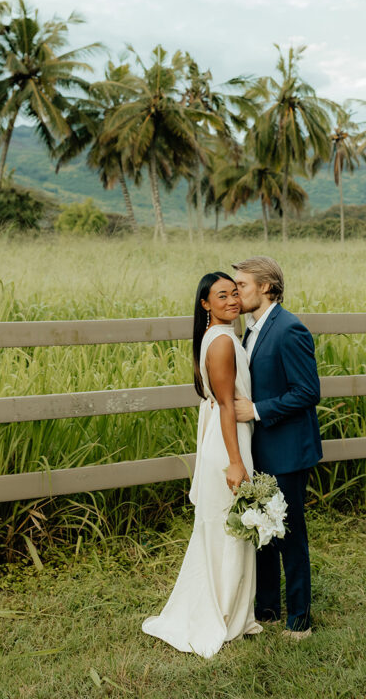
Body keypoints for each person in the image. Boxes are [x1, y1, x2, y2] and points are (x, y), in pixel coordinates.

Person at [142, 271, 262, 658]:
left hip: (223, 438)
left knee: (226, 527)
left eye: (234, 293)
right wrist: (235, 462)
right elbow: (227, 405)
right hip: (228, 445)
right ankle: (223, 614)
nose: (232, 301)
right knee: (229, 528)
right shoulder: (224, 341)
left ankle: (233, 611)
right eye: (221, 296)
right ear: (205, 304)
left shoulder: (215, 335)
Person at [232, 256, 322, 639]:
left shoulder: (289, 330)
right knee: (262, 531)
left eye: (242, 286)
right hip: (261, 449)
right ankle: (267, 609)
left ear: (266, 287)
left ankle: (299, 618)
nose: (236, 292)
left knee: (289, 533)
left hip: (287, 449)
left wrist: (255, 410)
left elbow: (307, 392)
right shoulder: (250, 330)